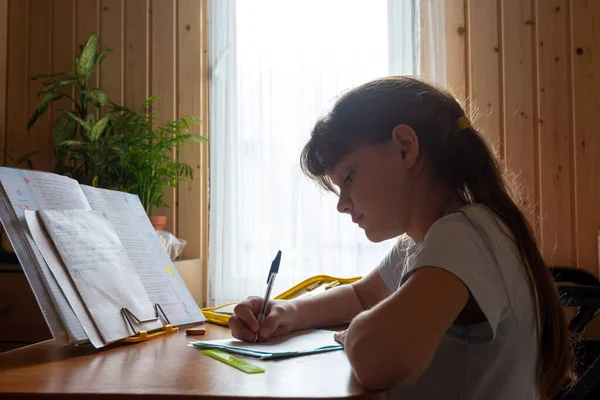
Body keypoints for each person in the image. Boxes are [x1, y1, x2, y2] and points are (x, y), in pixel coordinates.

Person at [228, 76, 572, 399]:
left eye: (348, 177)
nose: (342, 205)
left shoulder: (462, 236)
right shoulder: (431, 237)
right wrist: (286, 311)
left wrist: (357, 335)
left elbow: (378, 359)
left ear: (405, 147)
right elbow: (363, 296)